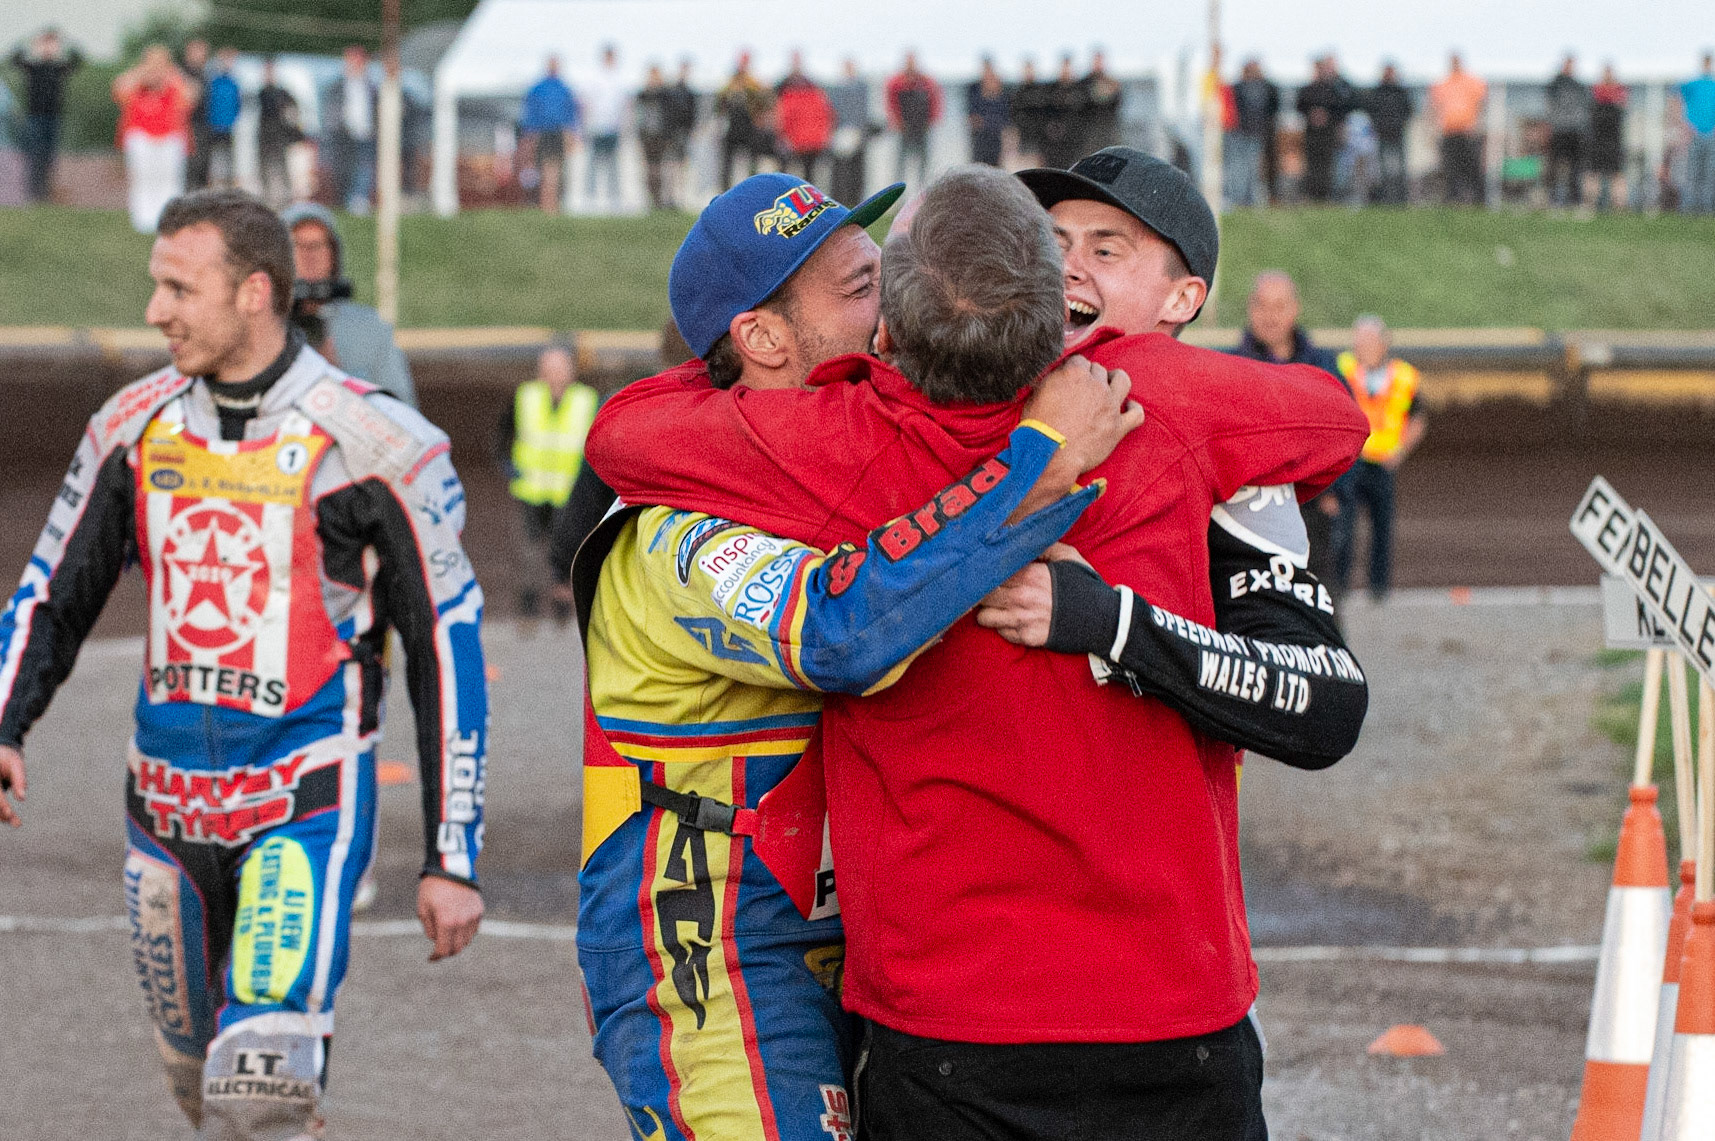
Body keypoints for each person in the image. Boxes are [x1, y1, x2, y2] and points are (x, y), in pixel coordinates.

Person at [584, 154, 1371, 1139]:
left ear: (899, 327)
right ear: (1049, 305)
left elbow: (623, 433)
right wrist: (1066, 425)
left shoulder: (828, 434)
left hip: (946, 1024)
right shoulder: (1154, 397)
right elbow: (1338, 419)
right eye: (1062, 247)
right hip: (1171, 1013)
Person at [571, 169, 1140, 1141]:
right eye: (861, 286)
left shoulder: (834, 446)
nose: (898, 299)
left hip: (867, 950)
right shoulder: (677, 528)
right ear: (763, 339)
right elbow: (841, 632)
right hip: (717, 968)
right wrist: (1032, 465)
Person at [0, 188, 487, 1140]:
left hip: (304, 806)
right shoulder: (130, 428)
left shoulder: (379, 447)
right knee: (199, 1087)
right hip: (163, 816)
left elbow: (445, 648)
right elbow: (53, 589)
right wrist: (4, 721)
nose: (155, 311)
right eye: (156, 286)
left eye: (179, 288)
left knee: (256, 1092)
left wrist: (450, 852)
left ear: (255, 293)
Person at [1231, 271, 1345, 594]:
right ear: (1250, 309)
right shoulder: (1227, 366)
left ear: (1294, 309)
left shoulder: (1324, 366)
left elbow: (1348, 434)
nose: (1271, 316)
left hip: (1311, 509)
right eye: (1263, 306)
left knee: (1320, 603)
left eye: (1279, 306)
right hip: (1247, 511)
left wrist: (1335, 493)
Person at [496, 343, 598, 622]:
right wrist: (508, 467)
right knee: (529, 550)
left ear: (572, 371)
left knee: (566, 546)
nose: (553, 374)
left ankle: (563, 603)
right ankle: (528, 602)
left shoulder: (587, 400)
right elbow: (503, 435)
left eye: (559, 368)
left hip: (569, 491)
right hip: (531, 489)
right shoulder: (526, 396)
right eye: (548, 368)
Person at [282, 202, 416, 406]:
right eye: (297, 245)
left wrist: (337, 378)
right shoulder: (262, 329)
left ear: (334, 253)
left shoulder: (370, 329)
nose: (309, 255)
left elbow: (404, 411)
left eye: (318, 245)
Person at [1331, 317, 1426, 601]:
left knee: (1382, 528)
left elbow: (1418, 418)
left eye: (1370, 342)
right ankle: (1341, 586)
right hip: (1350, 463)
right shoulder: (1342, 368)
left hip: (1383, 462)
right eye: (1359, 342)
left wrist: (1401, 451)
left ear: (1384, 344)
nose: (1363, 348)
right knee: (1343, 527)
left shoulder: (1404, 376)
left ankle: (1379, 588)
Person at [112, 45, 194, 233]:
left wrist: (172, 74)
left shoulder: (174, 82)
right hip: (141, 137)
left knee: (169, 180)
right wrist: (142, 72)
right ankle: (143, 220)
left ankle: (169, 218)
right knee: (142, 179)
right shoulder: (136, 83)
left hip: (169, 137)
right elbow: (119, 89)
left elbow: (190, 96)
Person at [9, 27, 83, 203]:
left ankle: (47, 192)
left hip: (54, 117)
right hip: (34, 117)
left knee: (50, 156)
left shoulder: (59, 67)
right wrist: (32, 44)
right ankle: (33, 193)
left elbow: (78, 58)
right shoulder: (32, 66)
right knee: (35, 155)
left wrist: (63, 43)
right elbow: (14, 58)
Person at [520, 55, 580, 214]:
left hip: (557, 134)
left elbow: (570, 114)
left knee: (553, 171)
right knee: (546, 171)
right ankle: (548, 206)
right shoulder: (539, 88)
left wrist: (571, 134)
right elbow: (531, 114)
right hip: (543, 134)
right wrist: (530, 136)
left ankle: (550, 206)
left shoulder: (564, 89)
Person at [322, 45, 377, 214]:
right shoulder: (337, 86)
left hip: (365, 134)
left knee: (364, 167)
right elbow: (331, 112)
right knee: (344, 169)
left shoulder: (371, 86)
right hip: (343, 136)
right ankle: (345, 200)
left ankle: (359, 200)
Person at [1430, 52, 1487, 205]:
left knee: (1472, 166)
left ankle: (1478, 198)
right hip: (1449, 131)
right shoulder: (1442, 83)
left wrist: (1477, 124)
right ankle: (1453, 198)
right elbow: (1434, 107)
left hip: (1468, 131)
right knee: (1450, 167)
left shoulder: (1472, 82)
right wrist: (1435, 128)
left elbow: (1482, 103)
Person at [1296, 55, 1355, 202]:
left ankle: (1326, 195)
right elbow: (1300, 106)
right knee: (1312, 164)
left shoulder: (1334, 89)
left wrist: (1326, 116)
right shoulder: (1308, 89)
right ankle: (1313, 194)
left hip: (1328, 133)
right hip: (1312, 133)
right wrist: (1312, 114)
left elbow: (1342, 107)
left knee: (1328, 165)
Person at [775, 52, 834, 182]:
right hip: (804, 138)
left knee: (800, 172)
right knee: (805, 173)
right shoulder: (810, 89)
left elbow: (823, 115)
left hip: (805, 139)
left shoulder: (802, 89)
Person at [886, 51, 942, 187]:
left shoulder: (926, 81)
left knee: (923, 164)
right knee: (900, 164)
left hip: (922, 127)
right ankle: (898, 194)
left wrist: (933, 119)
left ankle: (921, 192)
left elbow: (936, 99)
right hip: (903, 128)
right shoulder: (897, 82)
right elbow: (890, 102)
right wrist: (896, 121)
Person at [1227, 58, 1278, 207]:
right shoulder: (1237, 87)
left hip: (1257, 133)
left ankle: (1251, 198)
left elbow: (1273, 108)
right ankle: (1237, 197)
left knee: (1253, 167)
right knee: (1237, 166)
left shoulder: (1267, 88)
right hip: (1239, 133)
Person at [716, 52, 771, 191]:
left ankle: (753, 188)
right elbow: (720, 105)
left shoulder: (754, 83)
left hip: (749, 127)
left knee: (753, 160)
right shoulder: (729, 83)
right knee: (727, 164)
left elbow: (764, 103)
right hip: (732, 128)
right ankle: (725, 190)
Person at [583, 44, 628, 211]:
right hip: (596, 126)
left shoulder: (619, 79)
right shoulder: (595, 78)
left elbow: (624, 105)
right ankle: (590, 198)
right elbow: (587, 103)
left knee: (613, 165)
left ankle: (613, 198)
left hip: (613, 127)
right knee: (593, 164)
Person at [256, 56, 303, 209]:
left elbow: (293, 112)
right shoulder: (261, 93)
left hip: (278, 138)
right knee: (264, 170)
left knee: (281, 169)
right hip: (265, 138)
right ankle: (267, 199)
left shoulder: (282, 93)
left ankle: (284, 200)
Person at [1544, 55, 1590, 207]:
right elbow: (1549, 104)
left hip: (1575, 131)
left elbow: (1585, 108)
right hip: (1559, 131)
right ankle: (1553, 199)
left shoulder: (1578, 86)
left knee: (1575, 168)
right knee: (1556, 166)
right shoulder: (1555, 84)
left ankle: (1574, 200)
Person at [827, 58, 871, 205]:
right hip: (841, 132)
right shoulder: (837, 88)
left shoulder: (862, 87)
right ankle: (840, 197)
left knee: (857, 170)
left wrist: (860, 132)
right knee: (840, 170)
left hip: (857, 132)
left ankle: (855, 199)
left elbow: (863, 111)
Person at [1367, 63, 1413, 205]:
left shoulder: (1401, 92)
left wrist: (1398, 123)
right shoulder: (1377, 92)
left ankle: (1401, 198)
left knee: (1400, 168)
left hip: (1398, 133)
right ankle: (1386, 198)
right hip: (1382, 134)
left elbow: (1408, 110)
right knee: (1383, 169)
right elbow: (1371, 110)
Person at [1587, 65, 1628, 211]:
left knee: (1616, 175)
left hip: (1613, 141)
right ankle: (1591, 205)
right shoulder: (1596, 91)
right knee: (1594, 174)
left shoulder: (1619, 92)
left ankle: (1619, 207)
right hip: (1598, 141)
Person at [202, 47, 242, 190]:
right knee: (213, 161)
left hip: (228, 128)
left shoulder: (234, 82)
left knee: (229, 161)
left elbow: (237, 105)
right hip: (213, 127)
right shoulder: (212, 81)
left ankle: (228, 189)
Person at [1039, 54, 1086, 169]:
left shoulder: (1080, 90)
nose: (1066, 70)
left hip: (1074, 143)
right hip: (1054, 146)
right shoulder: (1050, 90)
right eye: (1064, 67)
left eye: (1068, 67)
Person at [1682, 52, 1715, 214]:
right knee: (1693, 171)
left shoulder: (1713, 85)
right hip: (1694, 133)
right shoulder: (1693, 84)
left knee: (1710, 172)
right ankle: (1690, 208)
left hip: (1711, 134)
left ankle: (1707, 208)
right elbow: (1675, 97)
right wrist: (1684, 124)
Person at [967, 55, 1011, 167]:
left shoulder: (1002, 92)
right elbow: (972, 116)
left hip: (996, 137)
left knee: (996, 168)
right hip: (980, 138)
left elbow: (1005, 116)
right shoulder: (974, 89)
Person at [180, 39, 212, 191]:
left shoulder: (205, 73)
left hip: (203, 126)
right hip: (188, 127)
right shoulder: (182, 74)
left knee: (202, 166)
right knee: (191, 166)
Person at [1079, 50, 1124, 153]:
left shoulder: (1112, 83)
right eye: (1096, 61)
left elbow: (1117, 104)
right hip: (1088, 133)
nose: (1098, 64)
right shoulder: (1084, 83)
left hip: (1107, 132)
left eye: (1100, 61)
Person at [1011, 58, 1049, 168]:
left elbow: (1044, 115)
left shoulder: (1041, 91)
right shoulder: (1018, 92)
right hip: (1023, 137)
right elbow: (1014, 116)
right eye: (1026, 70)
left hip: (1039, 138)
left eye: (1030, 69)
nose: (1029, 72)